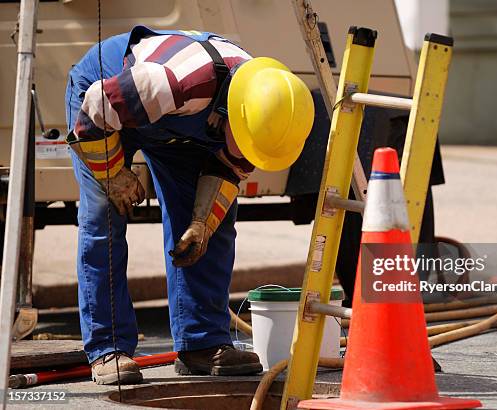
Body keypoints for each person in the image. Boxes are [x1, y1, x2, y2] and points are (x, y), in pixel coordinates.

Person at [65, 25, 314, 384]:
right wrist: (115, 174)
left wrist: (202, 222)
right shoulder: (175, 83)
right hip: (104, 97)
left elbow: (229, 168)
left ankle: (202, 343)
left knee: (214, 227)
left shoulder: (265, 112)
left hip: (175, 119)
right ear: (235, 114)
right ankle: (109, 347)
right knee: (104, 220)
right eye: (243, 143)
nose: (245, 155)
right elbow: (93, 115)